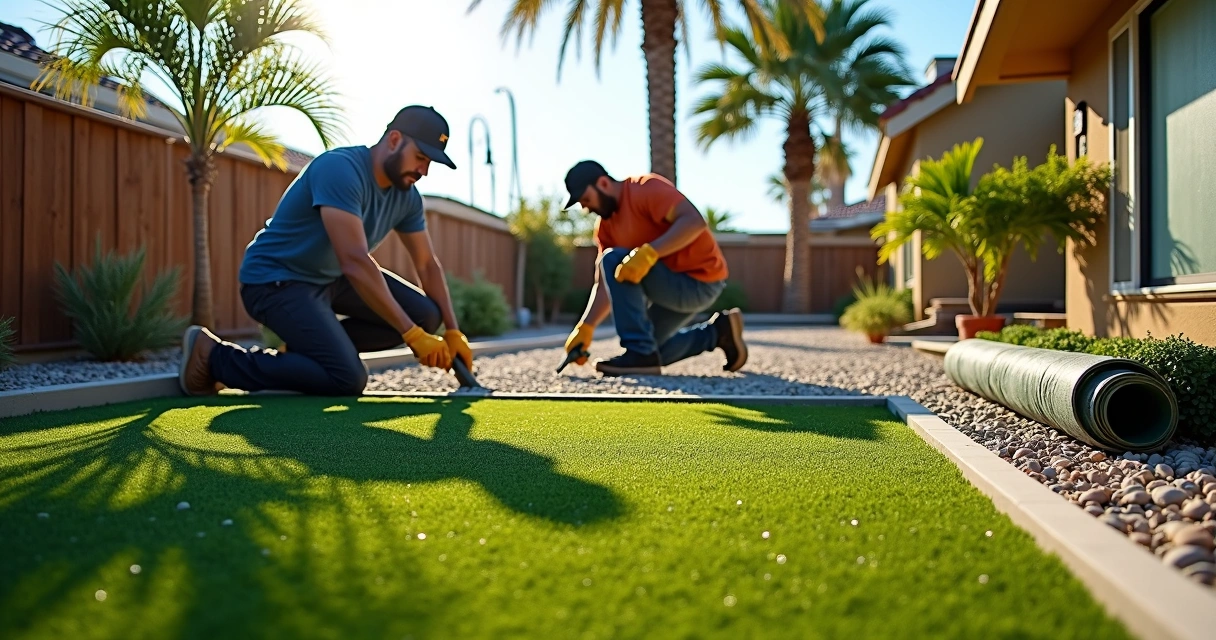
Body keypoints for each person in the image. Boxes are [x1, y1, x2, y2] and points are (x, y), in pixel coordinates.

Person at [178, 105, 472, 397]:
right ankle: (213, 356)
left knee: (425, 315)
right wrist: (411, 333)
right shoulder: (340, 169)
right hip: (275, 281)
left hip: (329, 279)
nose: (424, 171)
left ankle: (312, 348)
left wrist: (452, 330)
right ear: (394, 140)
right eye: (420, 158)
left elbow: (426, 264)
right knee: (346, 378)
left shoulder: (407, 197)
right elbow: (354, 260)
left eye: (429, 163)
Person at [560, 160, 747, 376]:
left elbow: (694, 221)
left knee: (613, 259)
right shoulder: (606, 229)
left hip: (700, 283)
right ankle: (719, 333)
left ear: (603, 183)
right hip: (671, 288)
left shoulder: (644, 189)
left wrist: (650, 254)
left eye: (586, 199)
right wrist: (585, 327)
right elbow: (605, 283)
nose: (586, 208)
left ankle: (639, 352)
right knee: (652, 350)